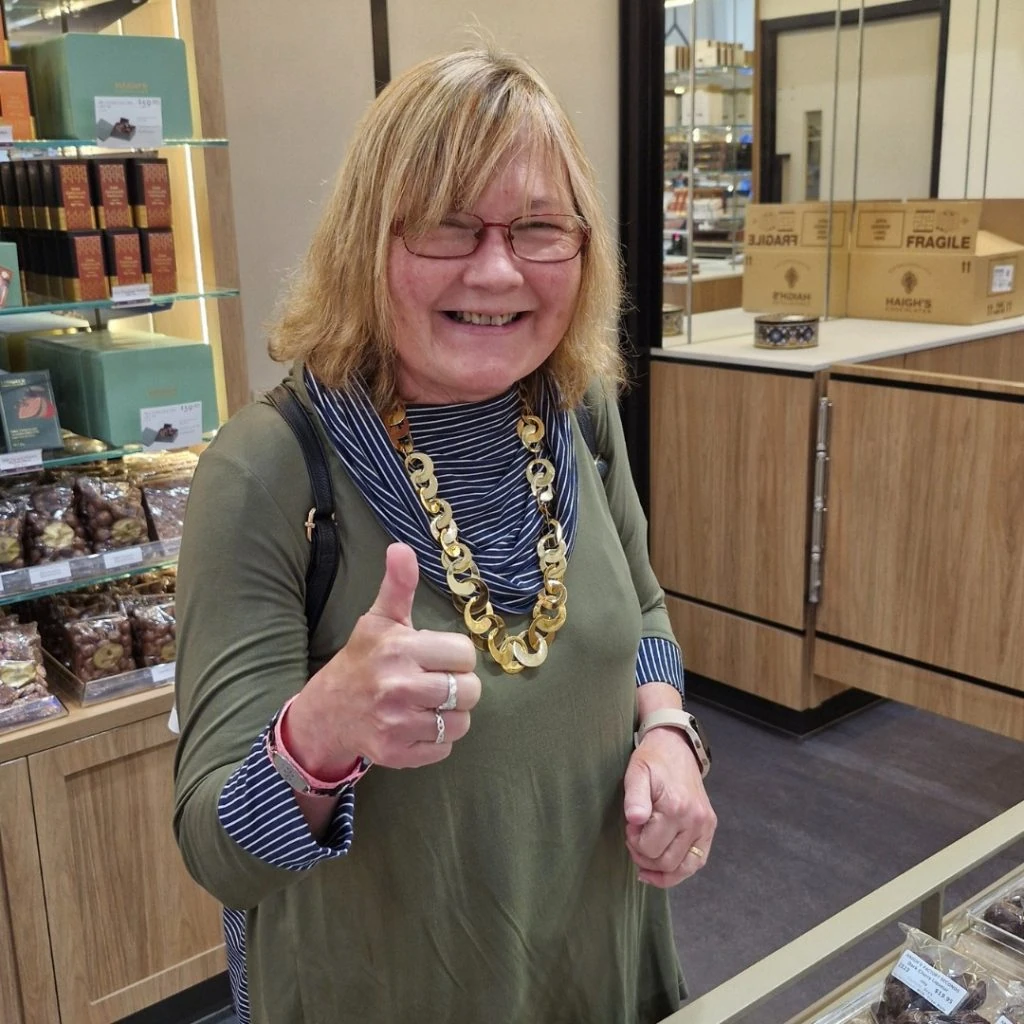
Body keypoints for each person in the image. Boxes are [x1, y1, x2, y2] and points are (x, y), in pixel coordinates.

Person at [172, 46, 716, 1024]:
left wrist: (667, 731)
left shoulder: (577, 409)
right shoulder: (266, 471)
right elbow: (218, 851)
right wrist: (318, 735)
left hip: (595, 966)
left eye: (539, 228)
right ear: (365, 243)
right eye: (446, 227)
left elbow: (639, 606)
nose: (498, 268)